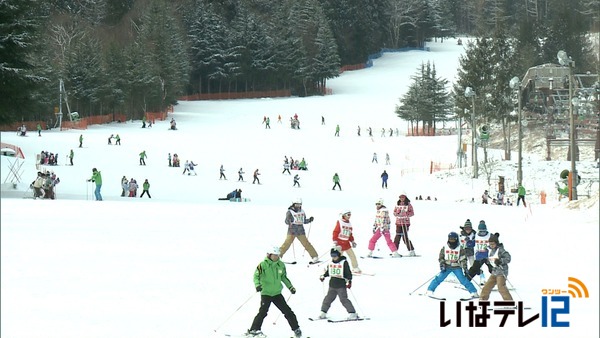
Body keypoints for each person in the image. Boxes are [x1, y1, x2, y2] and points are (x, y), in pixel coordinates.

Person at [247, 246, 302, 338]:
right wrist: (257, 285)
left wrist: (290, 287)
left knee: (287, 311)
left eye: (277, 255)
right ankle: (254, 329)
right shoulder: (262, 265)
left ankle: (296, 329)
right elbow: (256, 276)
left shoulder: (280, 265)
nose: (276, 257)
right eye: (274, 255)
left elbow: (283, 277)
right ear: (269, 255)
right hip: (266, 293)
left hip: (277, 293)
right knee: (263, 312)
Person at [425, 232, 479, 298]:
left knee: (463, 280)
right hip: (447, 266)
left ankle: (473, 292)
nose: (452, 241)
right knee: (439, 278)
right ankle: (430, 290)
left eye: (453, 239)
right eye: (450, 239)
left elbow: (463, 259)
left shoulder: (460, 248)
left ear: (456, 239)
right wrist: (442, 264)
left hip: (457, 267)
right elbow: (441, 257)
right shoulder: (445, 247)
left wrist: (465, 268)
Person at [316, 246, 357, 320]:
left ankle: (352, 313)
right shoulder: (330, 262)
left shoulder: (344, 262)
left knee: (343, 299)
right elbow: (329, 271)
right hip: (332, 285)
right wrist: (323, 276)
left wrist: (349, 281)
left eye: (335, 256)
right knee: (328, 299)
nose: (333, 257)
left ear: (339, 255)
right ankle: (323, 312)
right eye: (332, 256)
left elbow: (348, 273)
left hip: (341, 285)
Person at [279, 198, 319, 263]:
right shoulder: (290, 212)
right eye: (297, 204)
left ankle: (314, 256)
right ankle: (278, 255)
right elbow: (286, 221)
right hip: (292, 231)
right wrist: (289, 221)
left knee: (306, 243)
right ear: (293, 204)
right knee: (287, 243)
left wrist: (309, 220)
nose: (298, 206)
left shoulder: (302, 211)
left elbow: (303, 221)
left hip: (300, 231)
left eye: (299, 204)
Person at [479, 234, 513, 301]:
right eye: (490, 244)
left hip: (502, 271)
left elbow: (508, 258)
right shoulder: (489, 250)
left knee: (501, 287)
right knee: (487, 286)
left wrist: (500, 261)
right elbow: (491, 260)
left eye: (493, 244)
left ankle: (509, 301)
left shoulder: (500, 250)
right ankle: (483, 299)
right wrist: (485, 260)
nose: (491, 246)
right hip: (494, 272)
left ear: (496, 243)